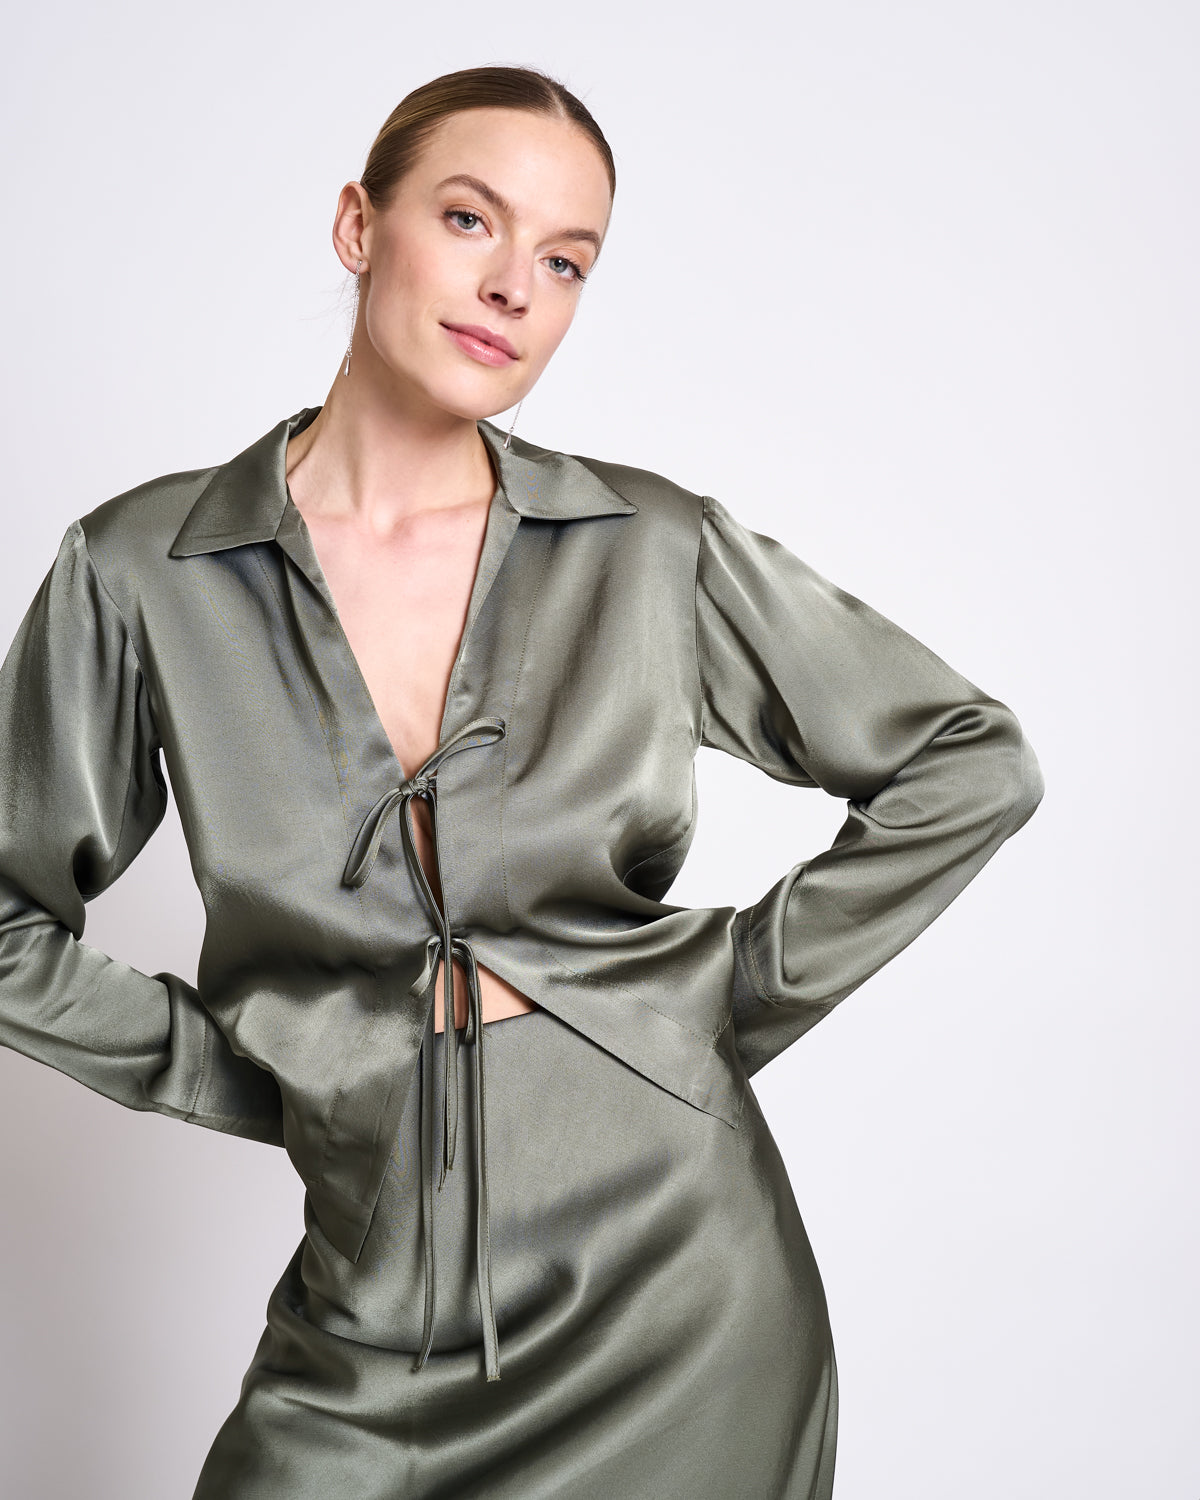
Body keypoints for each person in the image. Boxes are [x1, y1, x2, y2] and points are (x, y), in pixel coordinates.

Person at [0, 64, 1044, 1500]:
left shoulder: (646, 546)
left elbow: (967, 762)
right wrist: (271, 1068)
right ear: (360, 226)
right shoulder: (138, 572)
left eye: (565, 261)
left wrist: (721, 1001)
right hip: (374, 1322)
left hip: (686, 1299)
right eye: (472, 220)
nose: (516, 289)